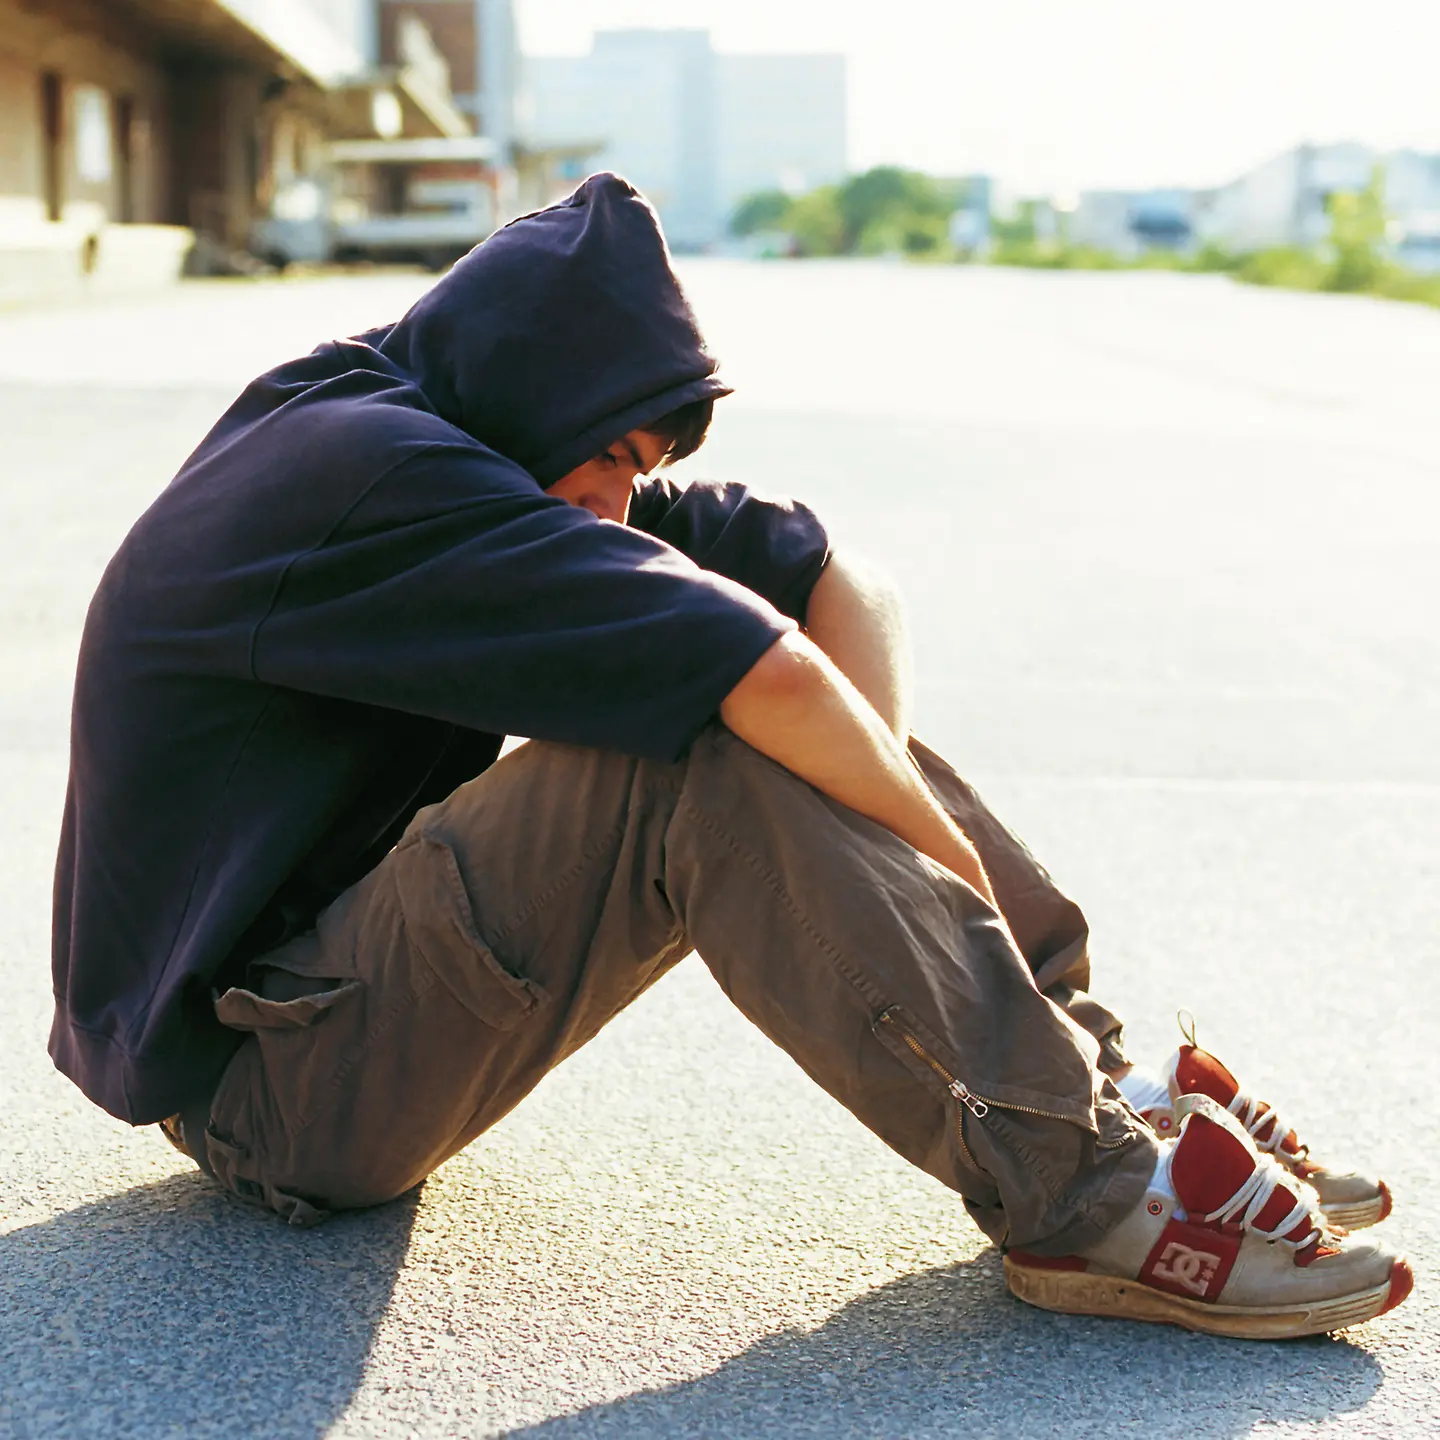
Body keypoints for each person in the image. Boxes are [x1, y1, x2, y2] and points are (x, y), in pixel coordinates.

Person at [51, 173, 1409, 1340]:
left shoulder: (474, 427)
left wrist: (867, 809)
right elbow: (763, 678)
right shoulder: (361, 471)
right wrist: (943, 878)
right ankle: (1082, 1188)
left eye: (641, 470)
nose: (616, 501)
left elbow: (835, 577)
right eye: (612, 455)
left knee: (779, 715)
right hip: (265, 1089)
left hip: (336, 1000)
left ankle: (1088, 1083)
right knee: (704, 738)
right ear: (533, 385)